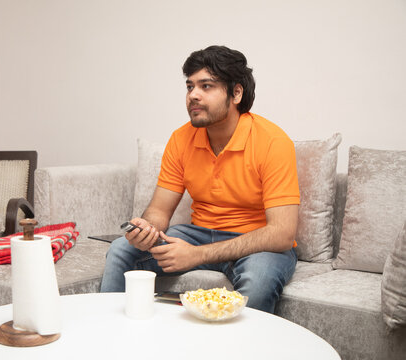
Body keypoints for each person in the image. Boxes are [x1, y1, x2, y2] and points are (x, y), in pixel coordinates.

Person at [100, 45, 300, 313]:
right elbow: (159, 211)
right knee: (121, 250)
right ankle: (109, 336)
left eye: (206, 86)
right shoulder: (181, 138)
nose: (193, 95)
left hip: (256, 242)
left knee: (259, 282)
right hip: (199, 233)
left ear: (236, 93)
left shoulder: (273, 142)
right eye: (190, 86)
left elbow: (282, 234)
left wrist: (197, 254)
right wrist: (146, 231)